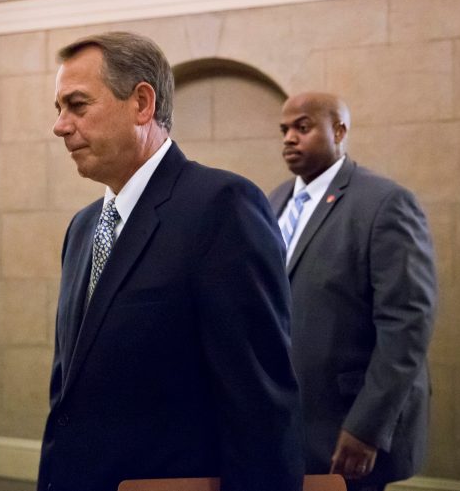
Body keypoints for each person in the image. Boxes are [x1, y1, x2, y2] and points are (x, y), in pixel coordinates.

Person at [37, 31, 304, 491]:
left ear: (142, 103)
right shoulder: (83, 228)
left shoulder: (222, 208)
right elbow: (69, 396)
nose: (61, 126)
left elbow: (260, 409)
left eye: (77, 106)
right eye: (58, 109)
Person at [269, 92, 437, 491]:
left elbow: (407, 325)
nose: (290, 138)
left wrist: (367, 428)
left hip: (346, 424)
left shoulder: (384, 203)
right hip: (290, 423)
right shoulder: (275, 200)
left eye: (303, 127)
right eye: (284, 130)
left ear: (340, 130)